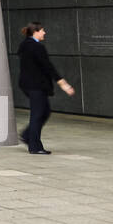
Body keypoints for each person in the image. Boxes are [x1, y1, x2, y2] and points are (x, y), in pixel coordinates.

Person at [17, 22, 75, 154]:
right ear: (35, 32)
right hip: (36, 85)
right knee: (38, 114)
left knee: (44, 112)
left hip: (29, 85)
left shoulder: (25, 45)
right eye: (42, 30)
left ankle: (27, 135)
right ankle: (35, 146)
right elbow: (48, 66)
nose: (44, 33)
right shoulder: (37, 47)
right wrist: (63, 83)